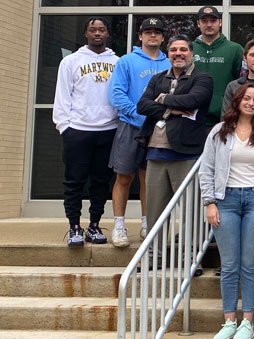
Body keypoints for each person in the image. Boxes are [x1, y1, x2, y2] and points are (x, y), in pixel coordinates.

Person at [199, 83, 254, 339]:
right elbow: (206, 169)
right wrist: (210, 202)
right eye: (247, 98)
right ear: (238, 101)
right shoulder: (219, 131)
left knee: (250, 264)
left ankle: (247, 321)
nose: (251, 103)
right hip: (227, 200)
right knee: (229, 264)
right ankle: (229, 320)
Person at [137, 35, 213, 259]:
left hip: (186, 153)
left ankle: (191, 257)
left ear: (191, 53)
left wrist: (161, 100)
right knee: (155, 211)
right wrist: (172, 109)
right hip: (155, 152)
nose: (178, 53)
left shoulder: (203, 78)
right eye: (173, 50)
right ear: (168, 54)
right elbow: (142, 105)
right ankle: (154, 255)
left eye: (183, 50)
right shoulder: (157, 78)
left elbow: (193, 101)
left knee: (190, 210)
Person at [53, 17, 119, 247]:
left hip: (108, 130)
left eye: (101, 29)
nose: (97, 33)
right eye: (93, 30)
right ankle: (74, 227)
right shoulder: (71, 61)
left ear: (108, 34)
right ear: (86, 34)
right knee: (74, 181)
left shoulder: (118, 62)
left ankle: (94, 225)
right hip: (78, 130)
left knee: (101, 182)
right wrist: (65, 127)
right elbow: (62, 95)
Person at [108, 17, 170, 247]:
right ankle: (119, 225)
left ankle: (147, 223)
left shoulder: (169, 63)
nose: (152, 36)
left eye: (157, 32)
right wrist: (139, 115)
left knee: (149, 178)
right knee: (124, 176)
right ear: (140, 36)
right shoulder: (126, 61)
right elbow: (116, 94)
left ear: (163, 37)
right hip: (131, 126)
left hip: (158, 128)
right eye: (148, 32)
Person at [192, 6, 244, 126]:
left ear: (220, 22)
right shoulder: (189, 49)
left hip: (225, 119)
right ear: (198, 24)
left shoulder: (235, 49)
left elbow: (242, 83)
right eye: (204, 21)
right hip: (193, 118)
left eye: (213, 20)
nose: (209, 24)